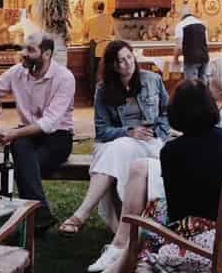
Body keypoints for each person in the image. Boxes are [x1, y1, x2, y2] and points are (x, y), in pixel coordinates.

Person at [88, 57, 222, 272]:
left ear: (175, 113)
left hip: (214, 248)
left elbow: (177, 218)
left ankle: (118, 258)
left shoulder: (173, 151)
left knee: (145, 230)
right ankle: (118, 258)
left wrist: (148, 222)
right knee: (151, 215)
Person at [0, 32, 76, 233]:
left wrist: (14, 134)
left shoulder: (64, 78)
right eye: (24, 48)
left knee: (22, 157)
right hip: (30, 135)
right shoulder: (17, 72)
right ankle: (40, 214)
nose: (23, 53)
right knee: (21, 150)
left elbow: (50, 123)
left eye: (30, 50)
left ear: (46, 54)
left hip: (59, 137)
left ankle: (27, 215)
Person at [59, 40, 169, 236]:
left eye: (129, 57)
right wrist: (128, 132)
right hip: (118, 141)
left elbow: (167, 112)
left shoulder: (152, 80)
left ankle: (83, 214)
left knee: (114, 152)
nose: (127, 64)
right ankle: (122, 233)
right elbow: (102, 131)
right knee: (119, 148)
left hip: (150, 142)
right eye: (120, 61)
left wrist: (159, 132)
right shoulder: (103, 90)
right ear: (112, 65)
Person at [172, 4, 209, 83]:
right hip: (204, 58)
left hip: (191, 59)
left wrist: (175, 59)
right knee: (203, 83)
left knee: (191, 84)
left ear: (182, 14)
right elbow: (206, 43)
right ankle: (204, 95)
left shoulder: (180, 25)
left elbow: (179, 47)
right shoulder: (202, 24)